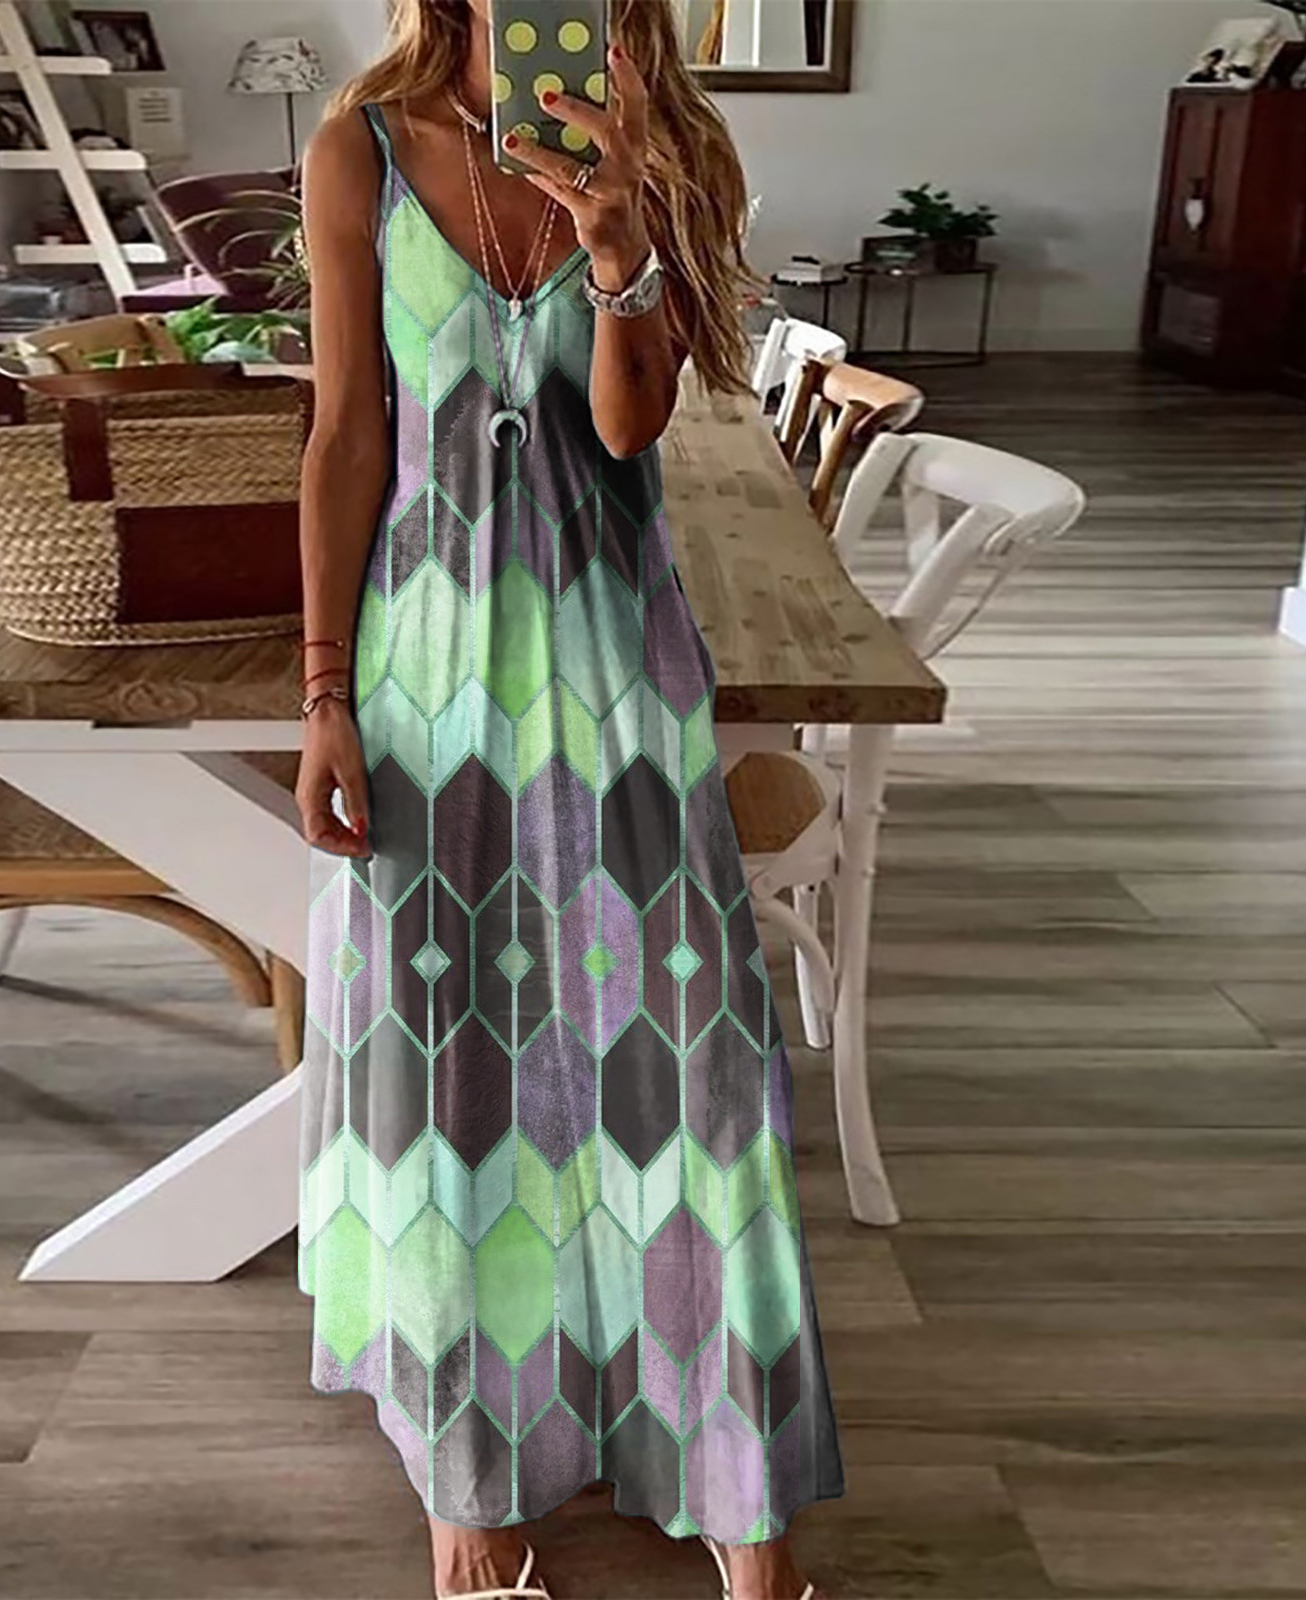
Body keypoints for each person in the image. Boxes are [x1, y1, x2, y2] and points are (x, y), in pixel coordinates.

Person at [293, 3, 843, 1596]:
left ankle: (742, 1496)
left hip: (616, 666)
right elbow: (347, 433)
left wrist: (619, 251)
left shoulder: (656, 146)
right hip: (426, 673)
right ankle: (475, 1484)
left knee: (690, 1067)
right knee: (451, 1057)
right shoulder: (360, 148)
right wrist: (322, 694)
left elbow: (625, 426)